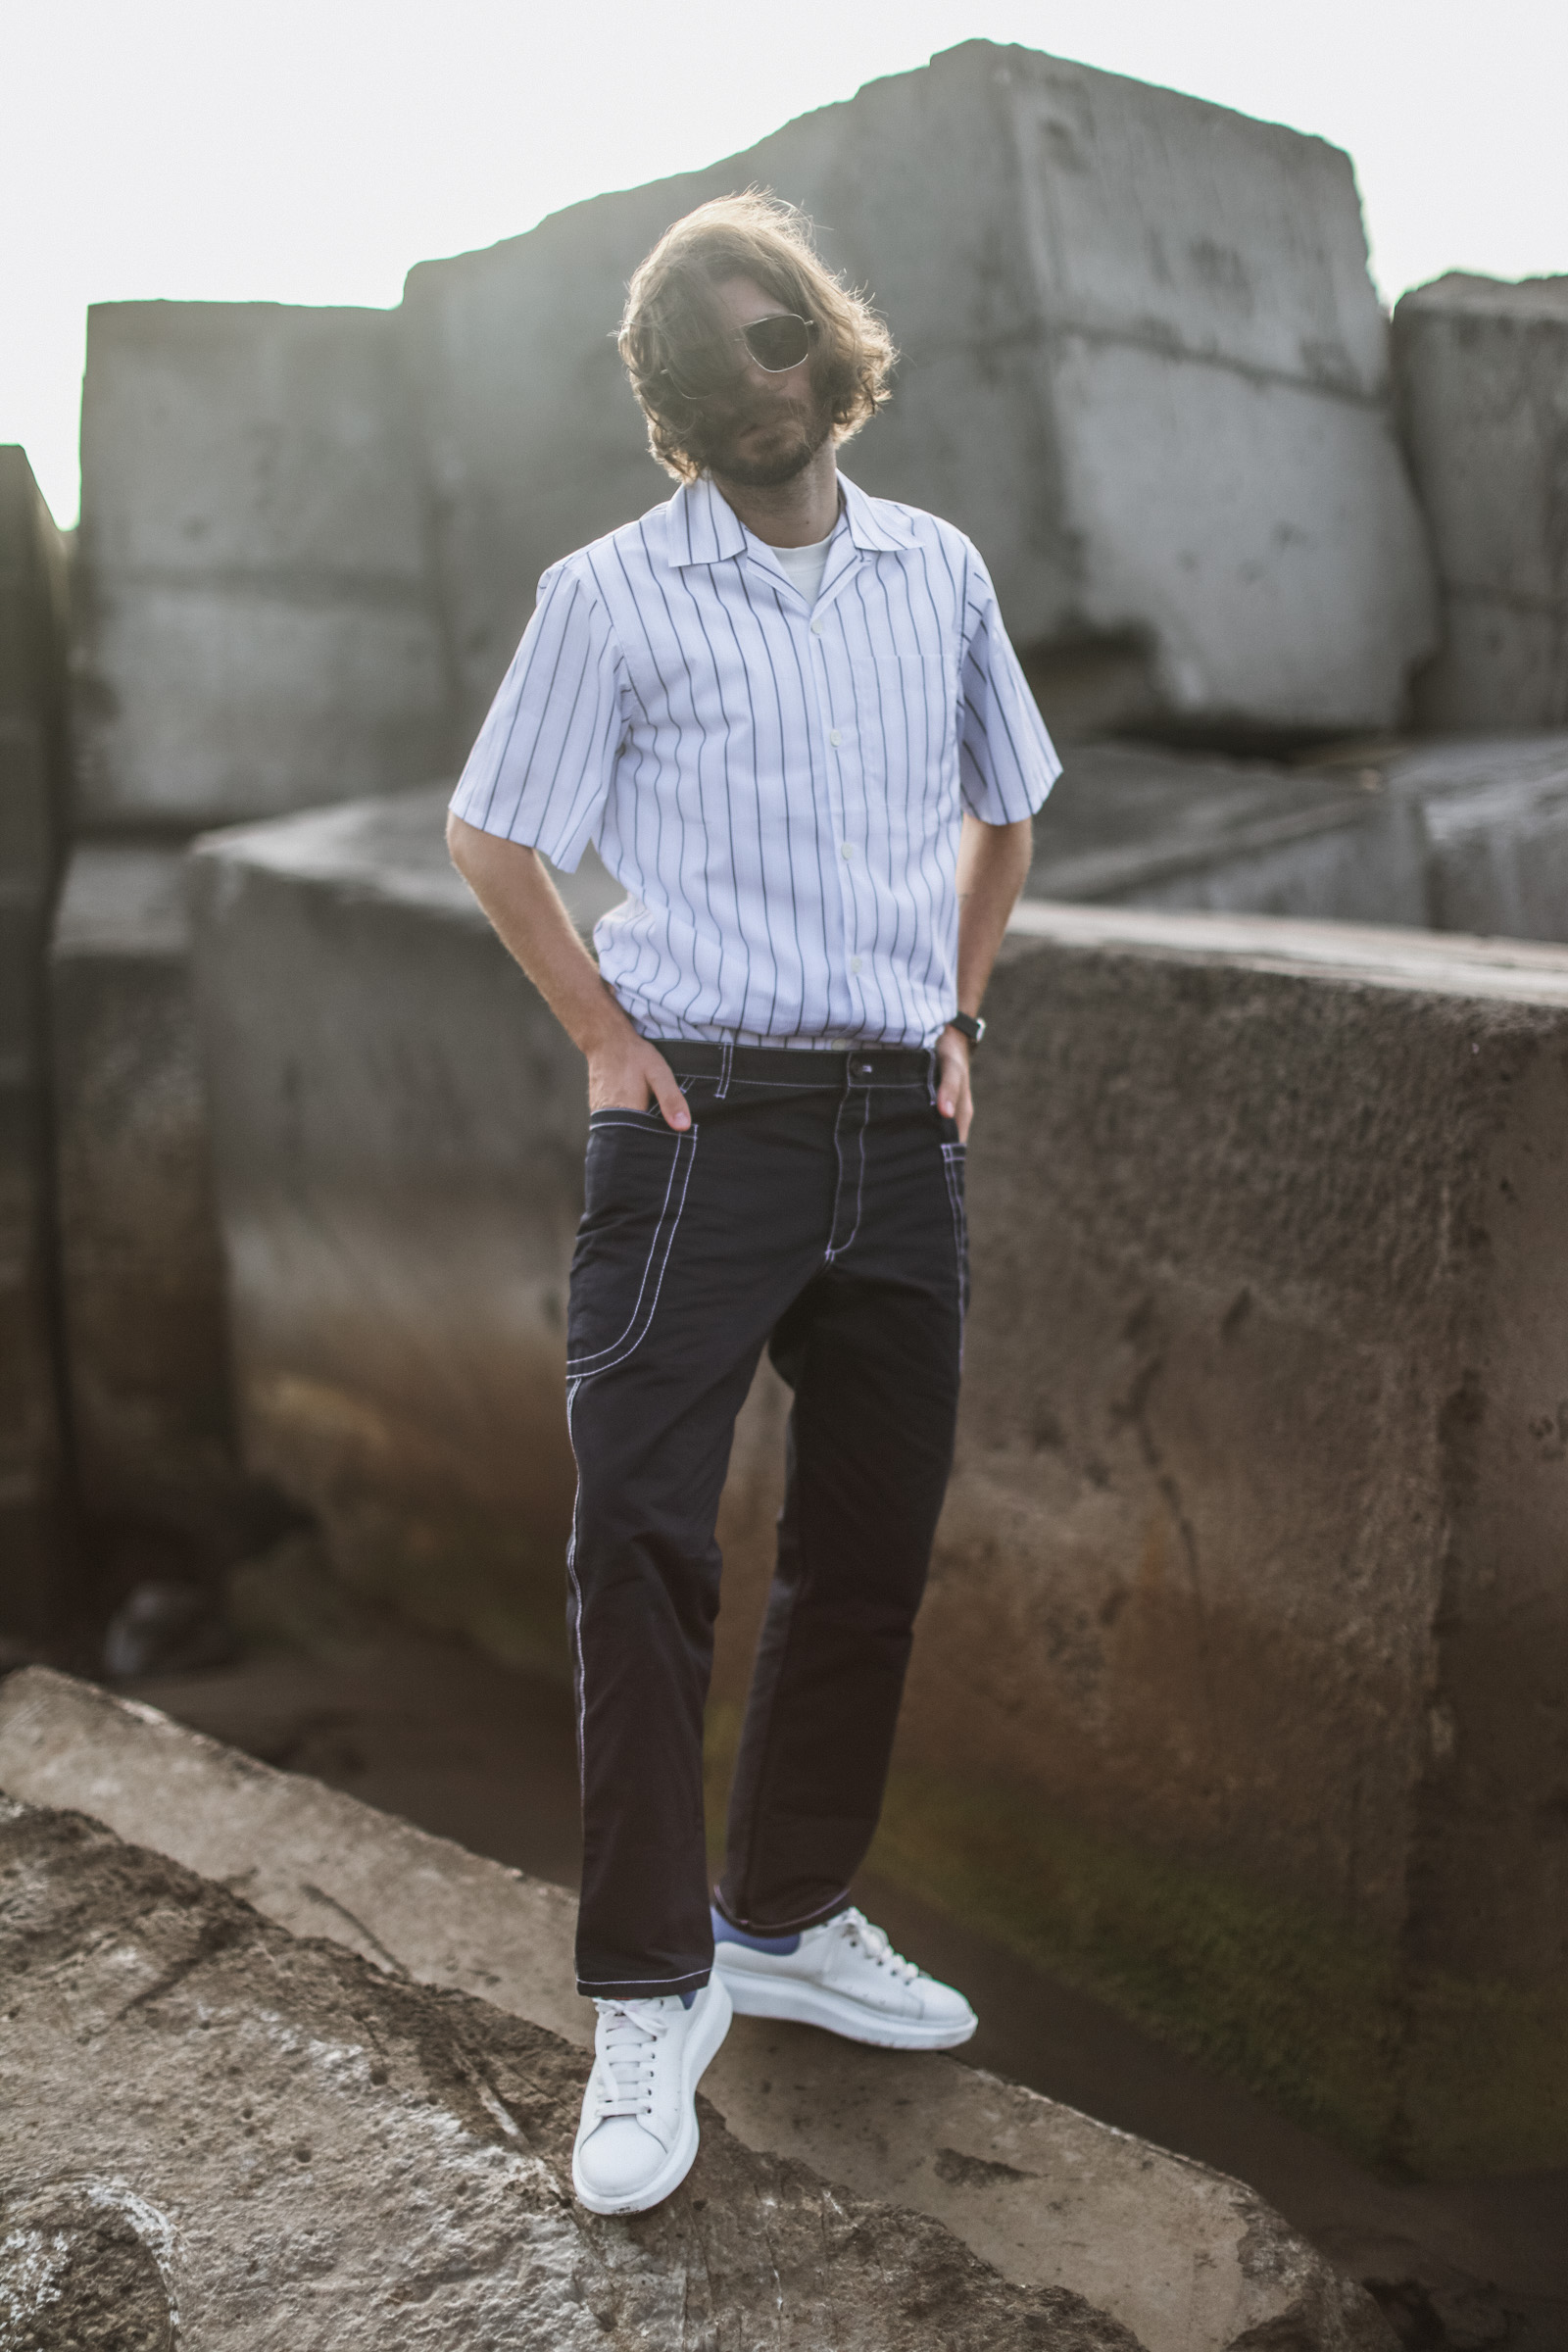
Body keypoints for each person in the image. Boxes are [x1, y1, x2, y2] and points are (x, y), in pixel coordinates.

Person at [447, 191, 1059, 2217]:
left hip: (896, 1120)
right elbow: (492, 833)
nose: (753, 375)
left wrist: (958, 1012)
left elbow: (1007, 804)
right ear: (670, 398)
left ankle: (782, 1919)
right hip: (698, 1122)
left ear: (830, 343)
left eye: (775, 330)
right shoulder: (607, 597)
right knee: (636, 1532)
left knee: (867, 1548)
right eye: (705, 355)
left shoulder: (935, 571)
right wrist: (604, 1039)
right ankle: (649, 1994)